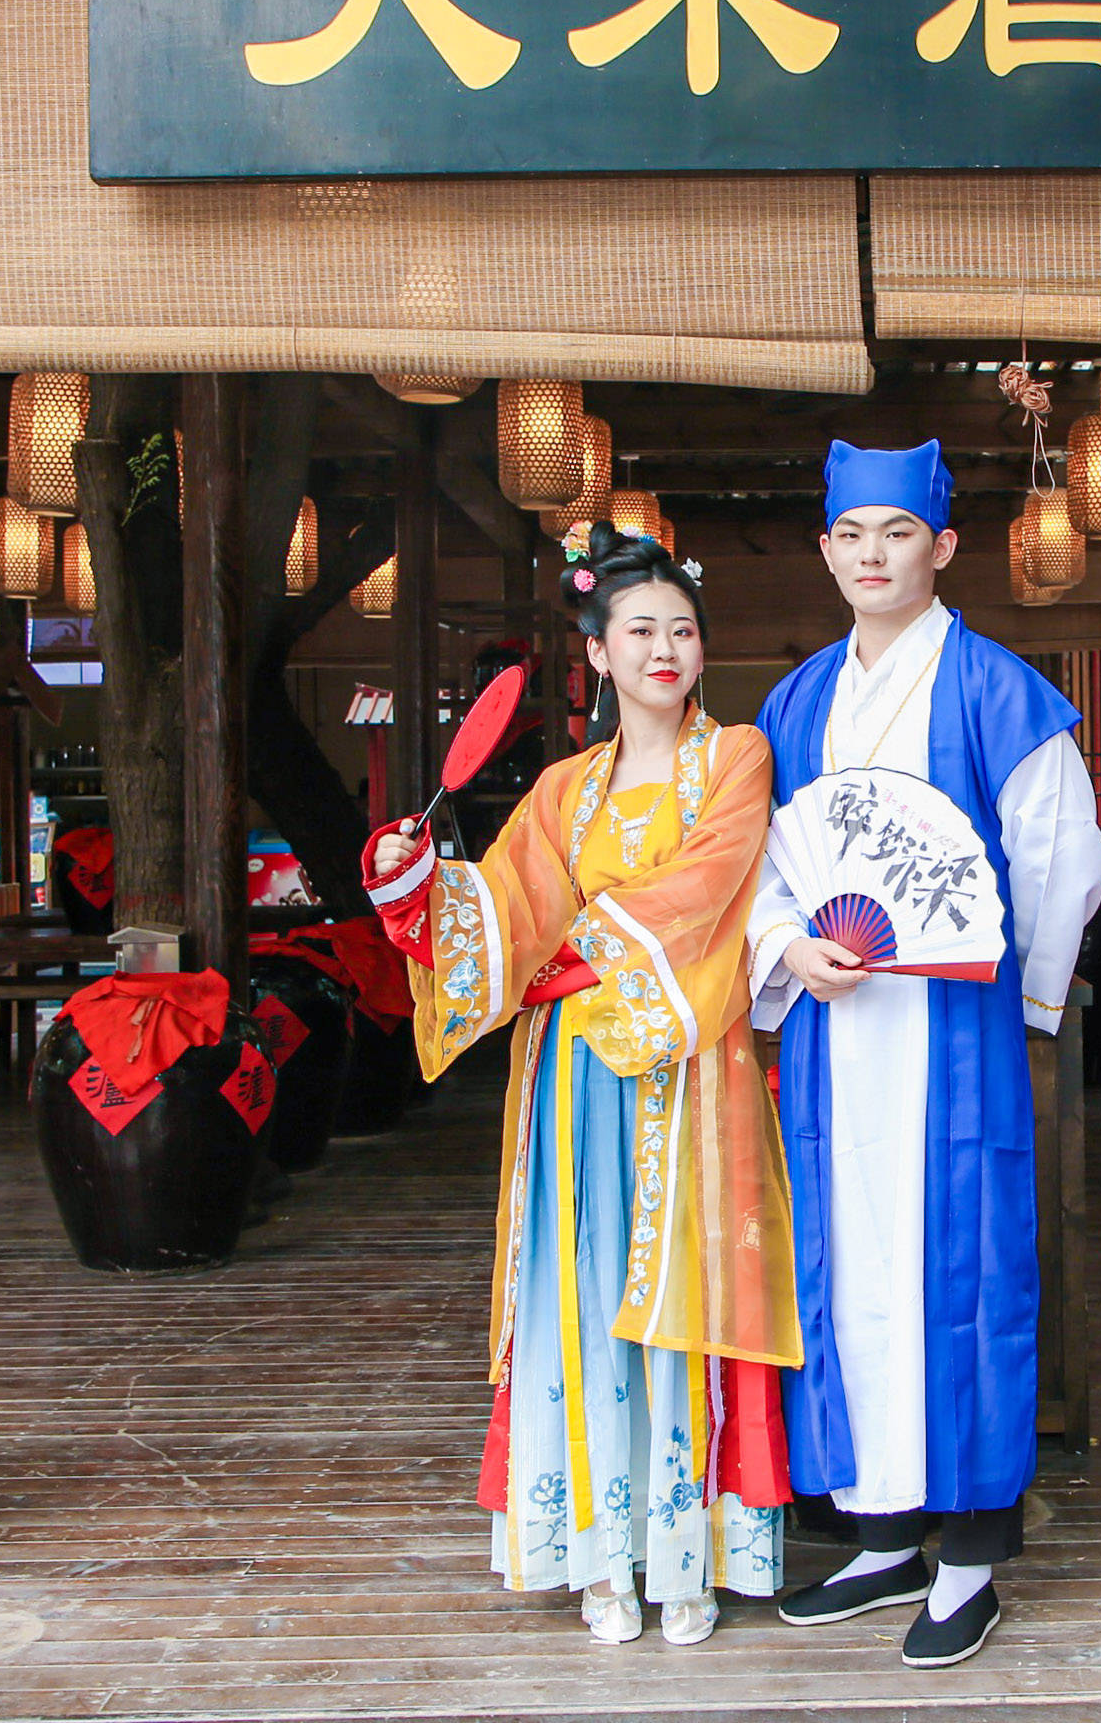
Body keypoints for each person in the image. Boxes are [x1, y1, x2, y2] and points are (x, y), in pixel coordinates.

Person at [365, 524, 799, 1648]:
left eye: (682, 630)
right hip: (571, 1074)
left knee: (684, 1287)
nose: (665, 649)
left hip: (688, 1065)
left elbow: (711, 889)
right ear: (599, 653)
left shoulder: (737, 757)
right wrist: (420, 892)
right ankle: (602, 1555)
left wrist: (586, 950)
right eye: (639, 630)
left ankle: (688, 1554)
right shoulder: (565, 788)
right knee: (581, 1288)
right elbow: (507, 914)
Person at [748, 438, 1101, 1668]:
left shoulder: (999, 691)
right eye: (851, 535)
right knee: (847, 1271)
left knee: (961, 1277)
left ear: (943, 547)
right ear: (826, 551)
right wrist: (788, 949)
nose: (873, 555)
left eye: (897, 533)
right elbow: (764, 863)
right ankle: (880, 1533)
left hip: (953, 1035)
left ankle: (969, 1557)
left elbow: (1058, 855)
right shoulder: (798, 702)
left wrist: (1025, 1000)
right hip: (835, 1034)